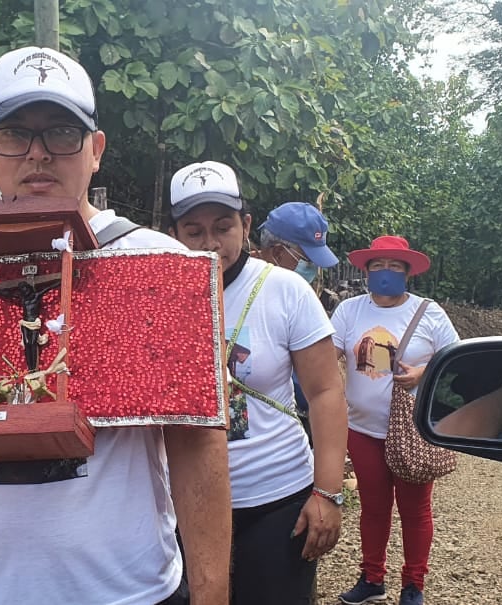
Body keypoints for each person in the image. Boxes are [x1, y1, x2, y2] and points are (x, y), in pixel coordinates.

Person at [0, 47, 232, 605]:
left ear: (95, 149)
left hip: (128, 593)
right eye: (13, 134)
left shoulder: (154, 265)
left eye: (61, 133)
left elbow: (196, 440)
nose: (38, 155)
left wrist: (212, 596)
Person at [167, 161, 349, 605]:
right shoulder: (159, 294)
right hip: (181, 503)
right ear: (174, 234)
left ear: (245, 226)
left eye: (223, 227)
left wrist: (328, 492)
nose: (211, 243)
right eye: (194, 231)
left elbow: (326, 391)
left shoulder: (285, 290)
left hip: (275, 498)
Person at [330, 235, 459, 605]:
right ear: (366, 270)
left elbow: (454, 358)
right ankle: (372, 578)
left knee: (415, 509)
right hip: (362, 428)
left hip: (414, 430)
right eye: (378, 266)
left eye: (395, 266)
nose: (385, 272)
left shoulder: (429, 312)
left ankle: (413, 584)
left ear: (407, 272)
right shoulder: (349, 311)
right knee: (373, 507)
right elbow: (326, 356)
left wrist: (423, 373)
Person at [252, 202, 341, 440]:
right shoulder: (233, 288)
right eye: (307, 261)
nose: (311, 271)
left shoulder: (298, 298)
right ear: (279, 253)